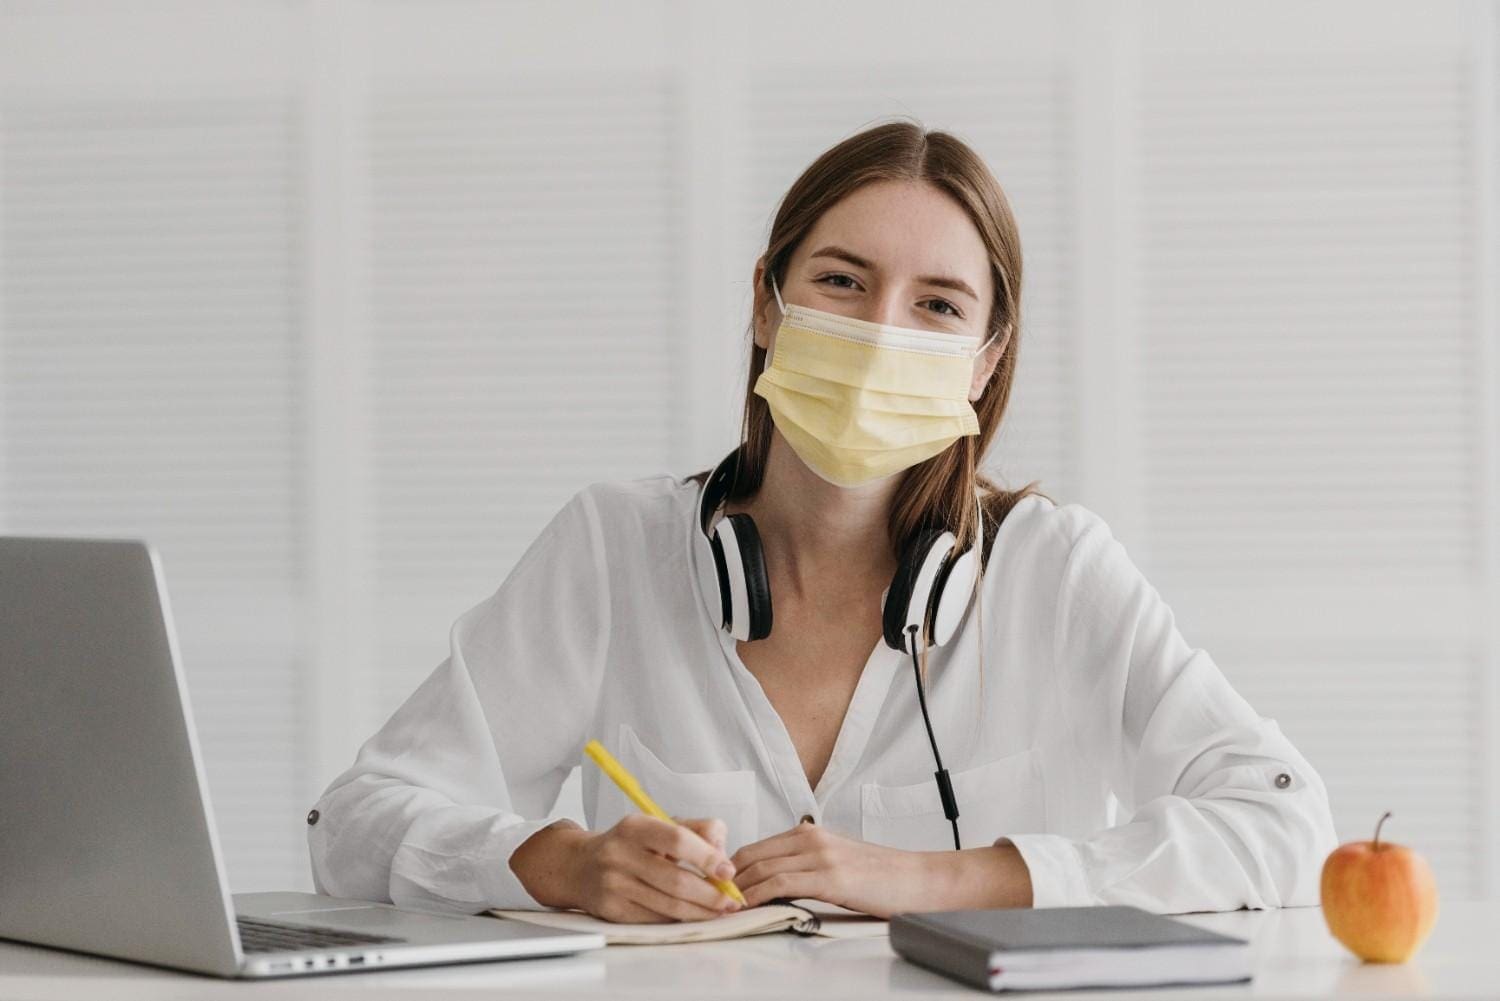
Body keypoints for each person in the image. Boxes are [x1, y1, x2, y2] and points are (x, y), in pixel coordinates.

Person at [306, 119, 1338, 924]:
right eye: (842, 282)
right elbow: (354, 819)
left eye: (937, 306)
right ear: (769, 304)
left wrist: (944, 878)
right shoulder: (613, 547)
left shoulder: (1056, 569)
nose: (880, 332)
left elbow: (1285, 822)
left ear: (984, 358)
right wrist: (561, 861)